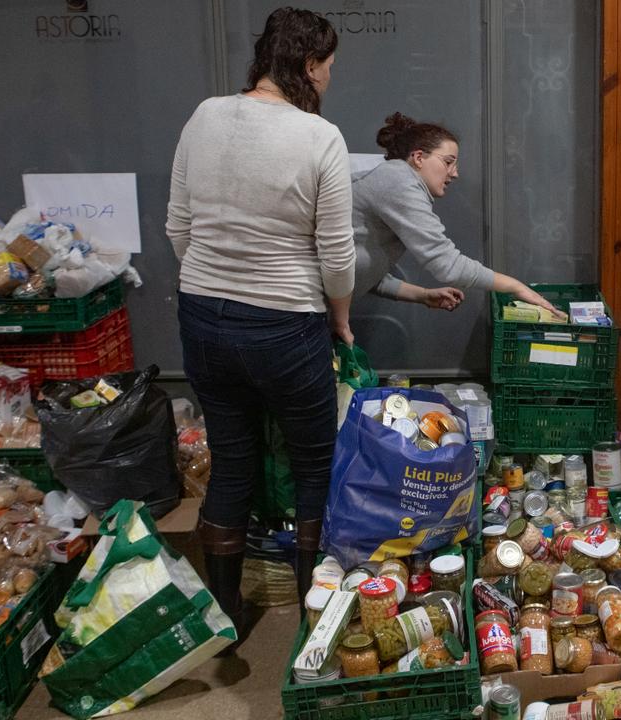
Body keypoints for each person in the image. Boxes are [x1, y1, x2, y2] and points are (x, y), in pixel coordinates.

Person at [165, 7, 350, 637]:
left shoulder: (205, 115)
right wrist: (341, 319)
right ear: (306, 65)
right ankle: (313, 617)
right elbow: (338, 260)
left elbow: (177, 229)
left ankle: (225, 616)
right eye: (327, 69)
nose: (328, 81)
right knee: (312, 467)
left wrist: (218, 287)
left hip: (202, 319)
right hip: (285, 327)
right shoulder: (319, 137)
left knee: (233, 461)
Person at [351, 113, 562, 316]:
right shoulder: (398, 181)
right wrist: (514, 286)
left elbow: (365, 272)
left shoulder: (397, 179)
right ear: (418, 158)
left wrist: (423, 295)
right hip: (318, 307)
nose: (455, 173)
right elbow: (447, 265)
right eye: (448, 162)